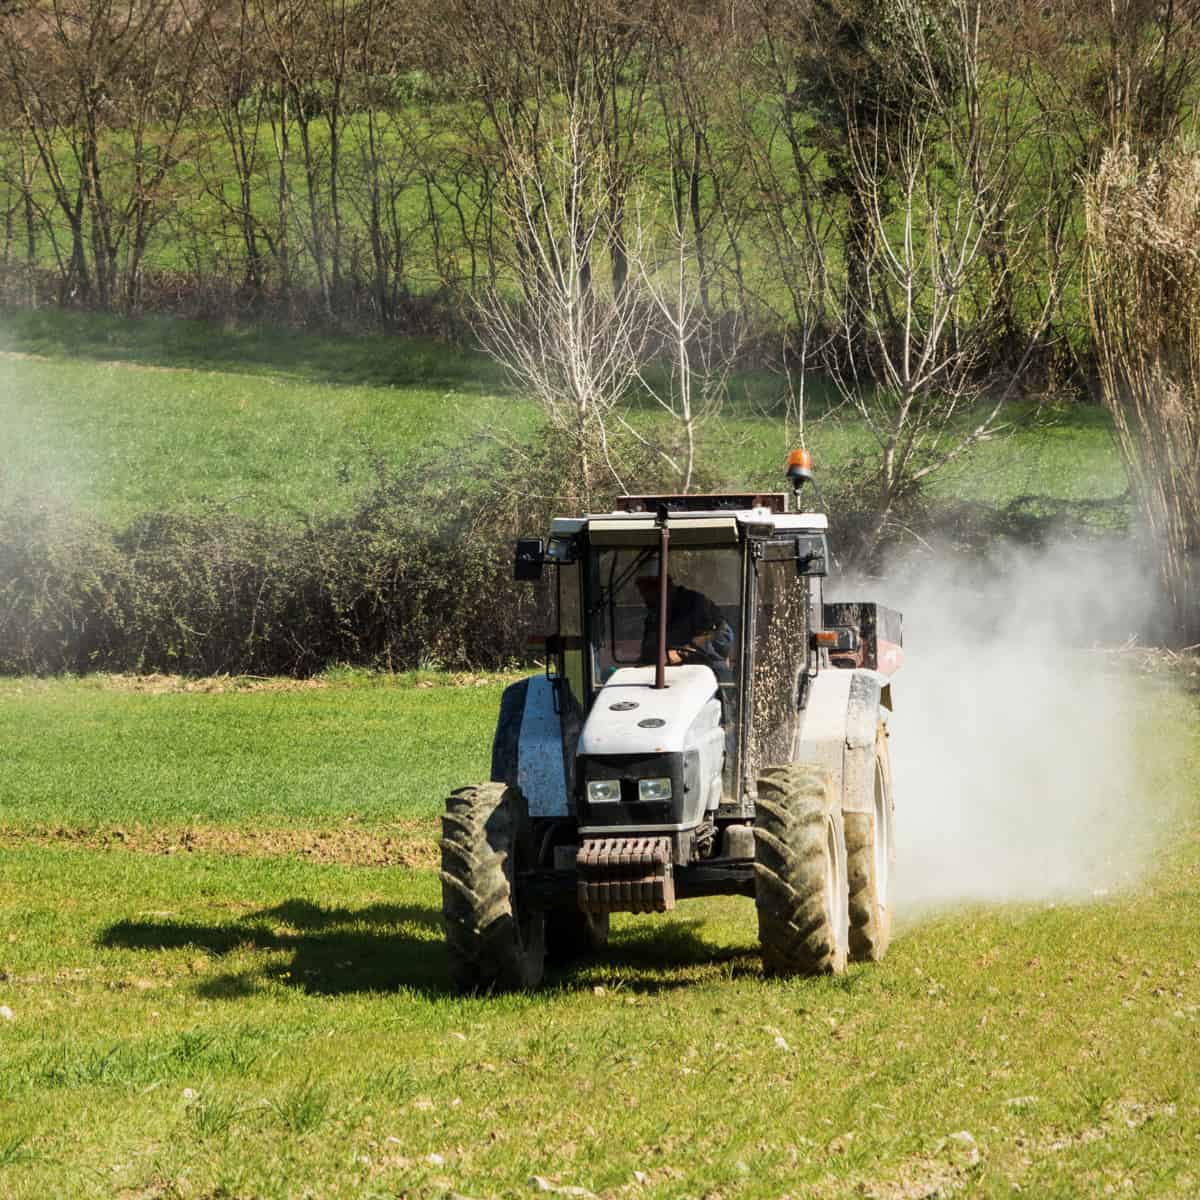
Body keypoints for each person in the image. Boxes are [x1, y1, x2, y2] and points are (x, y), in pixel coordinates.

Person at [636, 558, 734, 672]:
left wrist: (681, 653)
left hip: (704, 678)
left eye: (645, 589)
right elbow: (650, 653)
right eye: (640, 589)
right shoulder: (654, 615)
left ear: (662, 584)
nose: (643, 596)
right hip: (664, 679)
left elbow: (724, 636)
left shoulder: (696, 604)